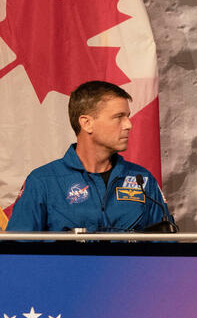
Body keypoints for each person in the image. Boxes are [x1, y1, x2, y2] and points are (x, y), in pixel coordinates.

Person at [6, 81, 174, 232]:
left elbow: (165, 247)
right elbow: (17, 250)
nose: (128, 125)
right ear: (87, 123)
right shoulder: (43, 182)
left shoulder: (143, 180)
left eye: (128, 116)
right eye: (118, 117)